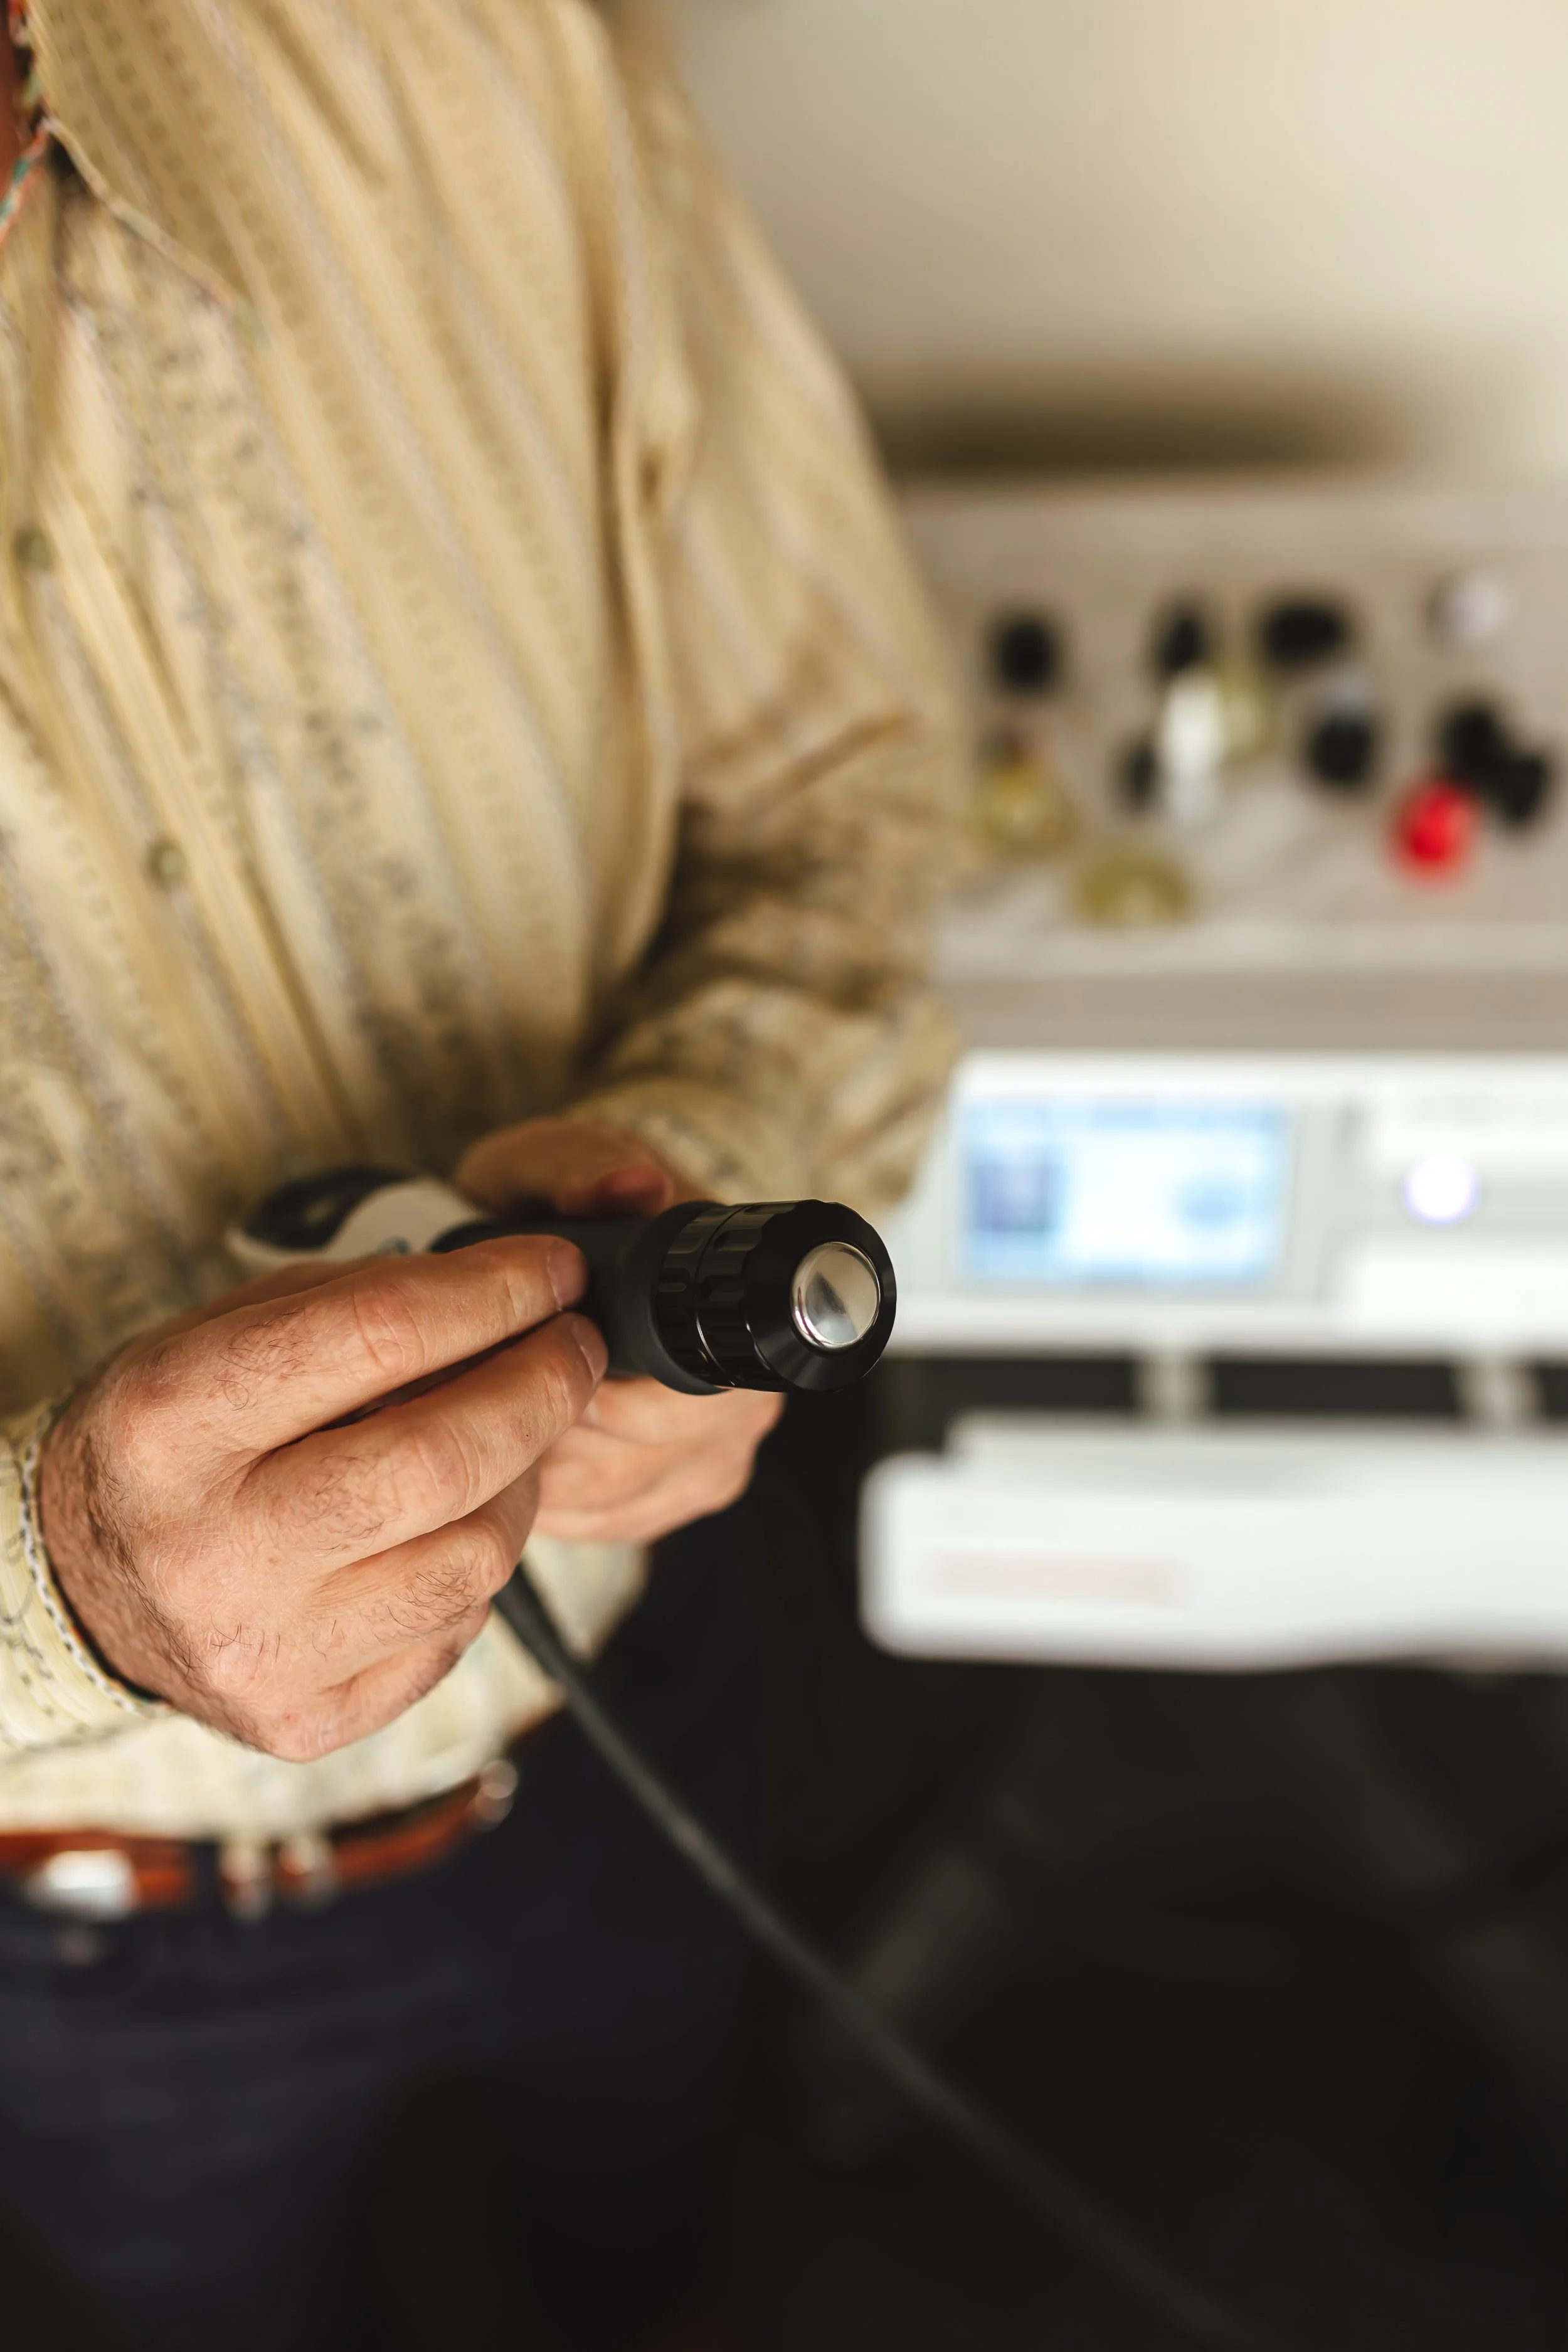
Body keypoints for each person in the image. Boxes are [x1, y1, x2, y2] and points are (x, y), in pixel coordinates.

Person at [0, 3, 960, 2347]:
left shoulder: (467, 47)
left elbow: (847, 806)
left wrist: (706, 1169)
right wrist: (53, 1600)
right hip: (90, 1952)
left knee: (651, 2230)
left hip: (646, 1715)